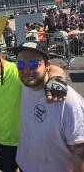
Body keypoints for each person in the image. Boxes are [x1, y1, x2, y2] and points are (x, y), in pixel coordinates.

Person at [0, 40, 67, 172]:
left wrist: (57, 78)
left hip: (28, 140)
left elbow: (52, 68)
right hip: (3, 141)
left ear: (0, 56)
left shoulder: (17, 69)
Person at [13, 41, 84, 172]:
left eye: (34, 64)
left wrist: (57, 77)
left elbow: (80, 153)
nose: (27, 70)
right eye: (21, 64)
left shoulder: (67, 101)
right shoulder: (25, 86)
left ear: (47, 65)